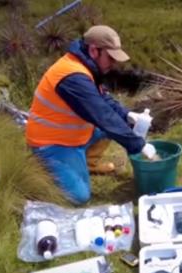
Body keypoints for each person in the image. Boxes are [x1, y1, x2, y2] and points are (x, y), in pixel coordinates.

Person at [25, 25, 156, 205]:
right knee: (79, 196)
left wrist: (127, 115)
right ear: (94, 50)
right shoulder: (72, 77)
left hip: (72, 136)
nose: (114, 63)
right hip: (52, 144)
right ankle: (40, 170)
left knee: (115, 124)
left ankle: (87, 163)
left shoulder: (87, 67)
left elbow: (105, 102)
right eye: (110, 57)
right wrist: (137, 144)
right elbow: (102, 115)